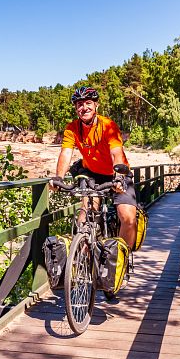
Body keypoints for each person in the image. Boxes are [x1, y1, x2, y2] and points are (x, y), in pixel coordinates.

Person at [49, 86, 137, 249]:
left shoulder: (108, 125)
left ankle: (121, 262)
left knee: (128, 218)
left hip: (116, 173)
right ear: (76, 108)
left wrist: (119, 177)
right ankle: (83, 259)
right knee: (85, 215)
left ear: (96, 105)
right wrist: (58, 178)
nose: (84, 108)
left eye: (88, 103)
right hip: (93, 174)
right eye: (79, 104)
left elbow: (116, 152)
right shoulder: (72, 128)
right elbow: (66, 153)